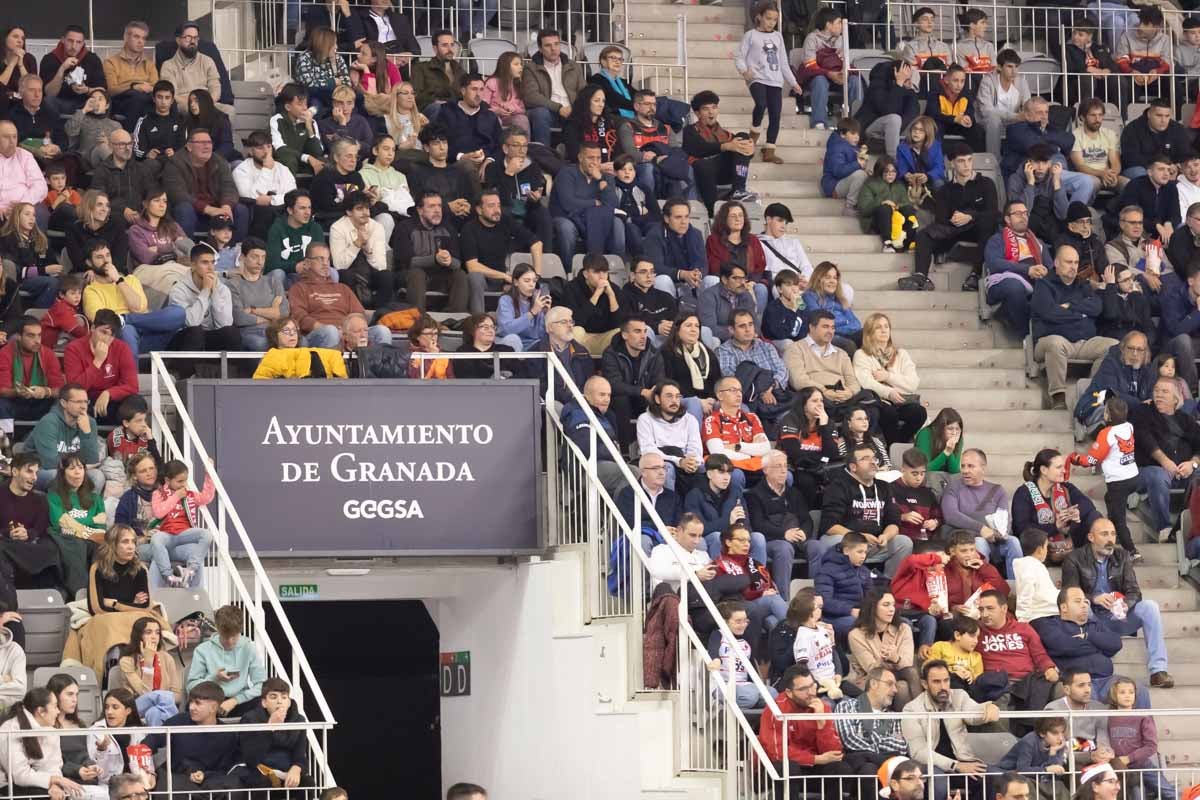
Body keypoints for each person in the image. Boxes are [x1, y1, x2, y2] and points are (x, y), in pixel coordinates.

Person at [1062, 516, 1173, 687]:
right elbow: (1069, 595)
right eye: (1104, 534)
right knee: (1083, 606)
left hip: (1117, 616)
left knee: (1150, 607)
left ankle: (1158, 671)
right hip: (1092, 620)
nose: (1110, 539)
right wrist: (1094, 599)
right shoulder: (1074, 559)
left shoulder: (1122, 555)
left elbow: (1134, 591)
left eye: (1113, 534)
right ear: (1091, 537)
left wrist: (1125, 604)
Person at [1031, 244, 1117, 409]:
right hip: (1052, 340)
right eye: (1068, 262)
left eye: (1076, 263)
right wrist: (1081, 314)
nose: (1073, 267)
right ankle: (1058, 397)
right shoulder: (1044, 285)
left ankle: (1091, 393)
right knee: (1055, 343)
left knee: (1113, 346)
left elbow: (1097, 307)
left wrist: (1070, 306)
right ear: (1056, 263)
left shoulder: (1083, 285)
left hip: (1084, 342)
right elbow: (1050, 313)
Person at [813, 442, 913, 577]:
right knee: (837, 542)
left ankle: (889, 584)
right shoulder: (838, 487)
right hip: (848, 540)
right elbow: (829, 526)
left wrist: (886, 536)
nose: (872, 462)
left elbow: (894, 521)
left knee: (904, 542)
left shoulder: (884, 487)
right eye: (865, 459)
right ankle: (846, 584)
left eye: (874, 458)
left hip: (875, 543)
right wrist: (860, 537)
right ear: (853, 467)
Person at [757, 665, 848, 798]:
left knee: (839, 768)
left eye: (812, 685)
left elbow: (833, 752)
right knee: (789, 768)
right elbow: (777, 752)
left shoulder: (822, 707)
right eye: (803, 689)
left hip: (810, 768)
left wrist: (822, 723)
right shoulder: (775, 710)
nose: (811, 692)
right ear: (789, 692)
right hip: (776, 769)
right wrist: (815, 759)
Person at [1129, 376, 1200, 541]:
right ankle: (1164, 528)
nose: (1159, 394)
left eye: (1164, 391)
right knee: (1158, 475)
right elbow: (1145, 439)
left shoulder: (1186, 420)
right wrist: (1165, 461)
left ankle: (1183, 526)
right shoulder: (1143, 412)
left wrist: (1193, 464)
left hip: (1182, 472)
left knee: (1197, 477)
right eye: (1156, 390)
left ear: (1176, 398)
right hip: (1147, 471)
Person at [144, 681, 243, 793]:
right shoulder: (179, 721)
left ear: (213, 707)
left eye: (197, 703)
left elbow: (226, 768)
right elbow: (153, 739)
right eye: (191, 702)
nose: (191, 707)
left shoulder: (227, 734)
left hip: (209, 783)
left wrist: (205, 775)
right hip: (175, 779)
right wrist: (142, 754)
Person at [287, 242, 389, 349]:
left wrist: (349, 331)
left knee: (382, 331)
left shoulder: (342, 288)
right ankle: (335, 360)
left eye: (327, 260)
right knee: (331, 332)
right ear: (307, 263)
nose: (325, 264)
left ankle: (375, 360)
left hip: (347, 333)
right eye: (320, 259)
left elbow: (358, 313)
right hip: (319, 334)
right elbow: (299, 318)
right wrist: (328, 328)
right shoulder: (298, 289)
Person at [461, 188, 542, 316]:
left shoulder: (505, 221)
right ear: (479, 210)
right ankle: (479, 319)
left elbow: (536, 244)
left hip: (502, 279)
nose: (497, 210)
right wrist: (504, 276)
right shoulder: (469, 229)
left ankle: (529, 321)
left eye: (498, 205)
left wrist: (536, 275)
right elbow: (472, 266)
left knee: (532, 283)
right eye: (491, 206)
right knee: (475, 277)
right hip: (483, 279)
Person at [976, 588, 1060, 711]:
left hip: (1027, 683)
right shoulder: (976, 632)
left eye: (990, 608)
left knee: (1062, 690)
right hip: (997, 685)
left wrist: (1048, 668)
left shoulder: (1024, 628)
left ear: (1004, 608)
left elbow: (1040, 654)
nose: (984, 614)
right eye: (981, 609)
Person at [736, 1, 800, 164]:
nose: (771, 22)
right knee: (761, 103)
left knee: (775, 115)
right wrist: (745, 71)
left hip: (775, 81)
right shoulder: (750, 35)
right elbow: (740, 57)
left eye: (775, 19)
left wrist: (793, 82)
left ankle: (769, 150)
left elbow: (783, 63)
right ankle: (754, 133)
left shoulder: (778, 36)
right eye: (768, 18)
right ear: (759, 17)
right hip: (756, 78)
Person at [942, 449, 1021, 575]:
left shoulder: (997, 490)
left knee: (1013, 542)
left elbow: (1004, 518)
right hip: (968, 540)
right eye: (963, 466)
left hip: (995, 540)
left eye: (971, 466)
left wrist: (1000, 532)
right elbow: (951, 515)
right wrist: (981, 528)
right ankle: (982, 584)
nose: (965, 470)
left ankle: (1015, 585)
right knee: (979, 543)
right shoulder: (953, 488)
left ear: (983, 468)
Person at [745, 449, 811, 598]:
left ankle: (816, 598)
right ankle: (783, 599)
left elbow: (807, 519)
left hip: (798, 538)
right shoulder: (754, 494)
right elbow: (758, 524)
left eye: (785, 466)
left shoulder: (794, 493)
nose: (783, 471)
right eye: (778, 466)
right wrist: (784, 534)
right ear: (766, 470)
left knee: (818, 547)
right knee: (784, 548)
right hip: (772, 541)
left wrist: (804, 532)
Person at [162, 129, 247, 243]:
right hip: (192, 209)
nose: (206, 146)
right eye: (201, 143)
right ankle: (187, 250)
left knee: (241, 210)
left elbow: (229, 187)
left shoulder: (218, 160)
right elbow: (177, 194)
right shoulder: (175, 162)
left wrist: (226, 206)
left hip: (216, 207)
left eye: (209, 142)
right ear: (189, 146)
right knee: (184, 209)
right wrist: (208, 209)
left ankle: (234, 249)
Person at [0, 687, 87, 798]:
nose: (58, 711)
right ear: (41, 711)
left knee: (62, 795)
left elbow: (53, 766)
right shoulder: (10, 729)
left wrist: (55, 785)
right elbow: (19, 775)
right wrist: (52, 780)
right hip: (8, 786)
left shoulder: (51, 731)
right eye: (55, 706)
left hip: (35, 784)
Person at [549, 142, 623, 269]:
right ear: (580, 158)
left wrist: (600, 180)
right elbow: (568, 203)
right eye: (590, 158)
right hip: (567, 216)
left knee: (617, 223)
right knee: (566, 228)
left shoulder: (605, 177)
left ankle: (615, 269)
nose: (595, 162)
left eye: (598, 158)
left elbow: (613, 205)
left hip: (594, 218)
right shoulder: (567, 173)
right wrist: (594, 203)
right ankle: (568, 270)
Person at [984, 200, 1051, 338]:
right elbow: (994, 263)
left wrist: (1044, 271)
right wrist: (1027, 270)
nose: (1023, 217)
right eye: (1018, 213)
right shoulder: (997, 239)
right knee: (1015, 287)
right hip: (1004, 281)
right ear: (1007, 219)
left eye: (1025, 213)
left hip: (1035, 282)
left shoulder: (1038, 243)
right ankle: (1026, 335)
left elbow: (1050, 267)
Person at [853, 313, 925, 443]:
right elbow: (866, 382)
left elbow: (913, 383)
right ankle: (892, 446)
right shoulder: (861, 355)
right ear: (869, 333)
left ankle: (898, 443)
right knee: (889, 413)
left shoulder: (901, 354)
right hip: (879, 402)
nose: (884, 330)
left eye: (886, 326)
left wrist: (888, 376)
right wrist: (888, 392)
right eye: (878, 327)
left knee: (919, 413)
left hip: (902, 400)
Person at [684, 90, 757, 216]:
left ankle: (739, 190)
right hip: (701, 172)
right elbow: (698, 148)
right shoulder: (689, 130)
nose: (711, 112)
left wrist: (750, 150)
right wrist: (725, 146)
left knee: (742, 136)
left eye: (714, 107)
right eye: (706, 109)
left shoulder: (726, 134)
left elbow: (740, 153)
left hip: (724, 173)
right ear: (697, 113)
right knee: (704, 164)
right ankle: (712, 211)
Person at [185, 605, 267, 717]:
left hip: (240, 701)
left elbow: (262, 685)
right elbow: (191, 687)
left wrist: (235, 700)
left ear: (240, 631)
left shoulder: (249, 648)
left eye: (234, 637)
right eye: (225, 636)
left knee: (263, 703)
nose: (230, 641)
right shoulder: (202, 650)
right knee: (193, 706)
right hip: (210, 700)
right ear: (218, 629)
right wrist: (215, 678)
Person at [146, 459, 214, 589]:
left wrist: (208, 474)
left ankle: (191, 570)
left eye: (185, 480)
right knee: (156, 540)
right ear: (167, 480)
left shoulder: (190, 495)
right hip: (167, 535)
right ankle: (169, 576)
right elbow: (159, 513)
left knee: (206, 535)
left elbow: (207, 497)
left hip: (185, 534)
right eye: (179, 481)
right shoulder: (158, 494)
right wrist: (176, 496)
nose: (184, 484)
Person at [847, 589, 920, 708]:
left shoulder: (903, 629)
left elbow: (908, 663)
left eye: (893, 605)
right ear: (872, 608)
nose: (892, 609)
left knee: (910, 673)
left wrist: (896, 658)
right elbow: (872, 669)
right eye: (886, 605)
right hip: (872, 681)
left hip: (902, 673)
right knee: (902, 687)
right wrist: (886, 658)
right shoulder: (856, 635)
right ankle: (920, 716)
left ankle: (921, 713)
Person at [1106, 676, 1175, 800]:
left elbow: (1151, 746)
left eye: (1131, 692)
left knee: (1168, 792)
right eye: (1122, 692)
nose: (1127, 696)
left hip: (1143, 764)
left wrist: (1129, 758)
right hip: (1121, 767)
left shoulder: (1142, 716)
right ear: (1114, 695)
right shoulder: (1108, 717)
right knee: (1137, 794)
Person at [784, 310, 861, 420]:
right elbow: (798, 380)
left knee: (870, 400)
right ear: (811, 327)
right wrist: (823, 391)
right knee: (821, 403)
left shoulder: (841, 353)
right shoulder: (795, 349)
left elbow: (853, 381)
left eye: (832, 328)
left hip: (842, 395)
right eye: (825, 327)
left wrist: (850, 392)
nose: (830, 331)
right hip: (816, 395)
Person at [600, 318, 664, 447]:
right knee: (620, 400)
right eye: (637, 331)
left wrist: (655, 392)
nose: (643, 336)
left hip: (644, 399)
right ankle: (624, 450)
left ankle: (659, 448)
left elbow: (659, 380)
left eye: (645, 331)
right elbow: (613, 384)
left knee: (662, 398)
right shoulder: (611, 353)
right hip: (620, 401)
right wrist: (641, 391)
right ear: (625, 335)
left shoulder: (653, 353)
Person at [167, 243, 240, 354]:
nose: (210, 268)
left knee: (232, 332)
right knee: (195, 332)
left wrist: (214, 292)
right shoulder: (178, 290)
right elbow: (191, 323)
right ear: (193, 265)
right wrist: (205, 291)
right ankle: (188, 367)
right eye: (205, 262)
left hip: (209, 336)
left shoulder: (222, 289)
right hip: (184, 338)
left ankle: (230, 366)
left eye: (213, 262)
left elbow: (225, 324)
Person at [238, 677, 308, 790]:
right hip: (258, 769)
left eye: (284, 697)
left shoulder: (298, 720)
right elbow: (251, 758)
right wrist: (270, 727)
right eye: (273, 697)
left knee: (307, 782)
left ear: (289, 702)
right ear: (264, 702)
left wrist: (296, 768)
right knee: (260, 781)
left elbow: (299, 754)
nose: (279, 701)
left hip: (286, 770)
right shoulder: (250, 719)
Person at [30, 383, 102, 493]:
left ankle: (84, 504)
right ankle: (61, 504)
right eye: (78, 402)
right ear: (64, 403)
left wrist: (86, 433)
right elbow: (50, 463)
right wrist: (79, 469)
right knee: (55, 475)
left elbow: (92, 460)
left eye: (85, 402)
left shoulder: (89, 422)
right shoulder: (48, 422)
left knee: (97, 476)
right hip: (40, 471)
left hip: (71, 469)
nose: (83, 406)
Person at [799, 7, 862, 132]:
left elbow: (844, 61)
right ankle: (819, 122)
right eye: (838, 22)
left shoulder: (841, 39)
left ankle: (855, 122)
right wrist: (829, 74)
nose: (841, 26)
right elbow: (810, 66)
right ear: (828, 24)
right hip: (818, 77)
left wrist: (843, 73)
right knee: (820, 80)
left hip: (837, 77)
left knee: (855, 80)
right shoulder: (812, 38)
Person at [520, 30, 585, 147]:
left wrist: (574, 108)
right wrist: (558, 108)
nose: (553, 49)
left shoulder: (573, 66)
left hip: (571, 109)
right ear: (540, 49)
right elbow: (531, 96)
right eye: (548, 45)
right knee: (540, 113)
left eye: (556, 44)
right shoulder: (531, 68)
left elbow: (584, 92)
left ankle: (579, 154)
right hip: (549, 111)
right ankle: (543, 153)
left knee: (588, 111)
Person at [0, 316, 64, 434]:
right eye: (31, 336)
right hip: (15, 402)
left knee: (61, 403)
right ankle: (6, 439)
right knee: (1, 404)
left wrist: (46, 391)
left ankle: (50, 437)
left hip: (40, 402)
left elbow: (60, 389)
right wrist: (18, 392)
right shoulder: (5, 353)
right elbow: (3, 390)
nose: (37, 341)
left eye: (39, 335)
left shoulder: (48, 354)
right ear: (19, 337)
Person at [224, 239, 288, 351]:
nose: (260, 262)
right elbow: (239, 317)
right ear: (243, 257)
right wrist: (272, 314)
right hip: (249, 332)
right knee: (261, 343)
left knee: (302, 342)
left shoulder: (273, 282)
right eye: (255, 257)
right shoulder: (232, 285)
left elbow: (284, 313)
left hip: (275, 331)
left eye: (263, 257)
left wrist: (252, 310)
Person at [117, 615, 182, 725]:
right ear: (138, 636)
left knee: (154, 712)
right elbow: (144, 693)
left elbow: (177, 695)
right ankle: (175, 723)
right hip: (135, 708)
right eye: (148, 632)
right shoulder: (127, 661)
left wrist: (162, 700)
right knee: (157, 696)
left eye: (157, 633)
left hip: (161, 709)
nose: (154, 637)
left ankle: (155, 737)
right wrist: (148, 661)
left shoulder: (167, 658)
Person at [232, 131, 296, 241]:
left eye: (269, 146)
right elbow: (251, 197)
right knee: (267, 211)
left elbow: (293, 196)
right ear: (251, 151)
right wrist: (267, 170)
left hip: (281, 209)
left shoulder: (282, 169)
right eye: (260, 148)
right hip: (255, 213)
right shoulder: (241, 170)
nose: (266, 152)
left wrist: (272, 200)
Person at [86, 688, 155, 787]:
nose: (109, 712)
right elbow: (99, 775)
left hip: (136, 786)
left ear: (128, 711)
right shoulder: (96, 732)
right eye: (106, 707)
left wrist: (148, 780)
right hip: (108, 787)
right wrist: (101, 751)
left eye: (115, 707)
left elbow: (147, 768)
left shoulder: (139, 733)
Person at [619, 453, 684, 557]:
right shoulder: (628, 494)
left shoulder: (672, 497)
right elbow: (631, 523)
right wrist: (660, 529)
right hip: (639, 537)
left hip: (668, 539)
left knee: (697, 542)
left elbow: (679, 521)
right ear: (643, 472)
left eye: (663, 468)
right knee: (643, 540)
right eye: (655, 468)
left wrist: (675, 532)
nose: (661, 472)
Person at [0, 202, 62, 309]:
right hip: (21, 280)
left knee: (67, 282)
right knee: (52, 283)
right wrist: (44, 270)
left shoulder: (40, 239)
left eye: (33, 215)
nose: (31, 218)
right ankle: (39, 315)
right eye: (27, 214)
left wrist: (56, 270)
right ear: (17, 217)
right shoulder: (8, 238)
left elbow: (52, 262)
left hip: (42, 277)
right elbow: (16, 270)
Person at [706, 202, 768, 307]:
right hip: (725, 282)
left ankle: (755, 318)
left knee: (761, 289)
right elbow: (714, 268)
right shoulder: (714, 240)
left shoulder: (753, 240)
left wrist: (751, 282)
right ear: (724, 219)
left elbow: (759, 267)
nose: (738, 219)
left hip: (747, 283)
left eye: (740, 215)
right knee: (711, 281)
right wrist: (734, 282)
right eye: (733, 216)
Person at [642, 199, 706, 300]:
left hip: (693, 282)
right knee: (662, 280)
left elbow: (703, 263)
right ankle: (668, 309)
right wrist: (681, 274)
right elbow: (655, 267)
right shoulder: (655, 235)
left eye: (686, 216)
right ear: (667, 219)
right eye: (678, 217)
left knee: (712, 280)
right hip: (671, 282)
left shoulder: (696, 234)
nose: (684, 222)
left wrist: (697, 274)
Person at [89, 129, 155, 229]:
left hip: (140, 215)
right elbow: (99, 197)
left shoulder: (141, 169)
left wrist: (143, 211)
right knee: (117, 220)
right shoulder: (101, 171)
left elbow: (152, 193)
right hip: (114, 216)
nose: (127, 148)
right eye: (122, 144)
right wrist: (123, 209)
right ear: (111, 146)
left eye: (130, 144)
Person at [560, 253, 622, 357]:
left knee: (620, 333)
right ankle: (576, 365)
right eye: (596, 272)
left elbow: (618, 323)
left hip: (604, 337)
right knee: (575, 331)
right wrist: (596, 295)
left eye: (605, 272)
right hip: (583, 337)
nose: (602, 276)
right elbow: (576, 321)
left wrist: (611, 296)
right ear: (585, 274)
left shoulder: (614, 289)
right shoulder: (571, 288)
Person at [38, 25, 106, 116]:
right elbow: (49, 93)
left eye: (78, 42)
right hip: (59, 101)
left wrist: (86, 90)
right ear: (63, 40)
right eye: (70, 41)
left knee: (103, 102)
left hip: (84, 102)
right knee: (48, 101)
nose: (74, 46)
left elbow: (102, 90)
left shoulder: (92, 59)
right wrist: (62, 69)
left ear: (83, 43)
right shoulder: (49, 59)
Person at [814, 532, 871, 640]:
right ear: (846, 551)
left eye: (865, 552)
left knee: (896, 623)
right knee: (857, 625)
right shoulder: (827, 570)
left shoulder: (864, 571)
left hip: (859, 614)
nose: (863, 556)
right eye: (859, 552)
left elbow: (871, 596)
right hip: (833, 617)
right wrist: (850, 610)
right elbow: (824, 601)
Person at [858, 156, 920, 253]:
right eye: (886, 171)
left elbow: (906, 203)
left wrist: (896, 206)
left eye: (893, 171)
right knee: (885, 208)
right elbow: (864, 210)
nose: (890, 174)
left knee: (909, 210)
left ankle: (909, 243)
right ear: (880, 171)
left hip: (897, 220)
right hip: (875, 221)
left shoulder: (899, 185)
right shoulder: (870, 184)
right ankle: (887, 244)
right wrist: (881, 201)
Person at [1120, 100, 1193, 179]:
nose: (1163, 120)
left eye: (1167, 116)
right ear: (1149, 114)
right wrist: (1161, 166)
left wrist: (1176, 166)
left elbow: (1185, 154)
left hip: (1171, 169)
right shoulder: (1132, 129)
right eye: (1159, 115)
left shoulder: (1178, 129)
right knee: (1139, 173)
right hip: (1143, 169)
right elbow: (1130, 159)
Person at [160, 23, 222, 115]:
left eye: (195, 38)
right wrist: (193, 103)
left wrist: (206, 104)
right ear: (178, 40)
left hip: (207, 103)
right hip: (184, 104)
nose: (193, 41)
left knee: (229, 110)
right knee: (188, 109)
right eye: (188, 37)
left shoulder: (207, 61)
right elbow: (171, 94)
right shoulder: (168, 66)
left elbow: (215, 88)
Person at [102, 21, 157, 124]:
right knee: (138, 98)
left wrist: (150, 88)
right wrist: (134, 87)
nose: (140, 41)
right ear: (126, 37)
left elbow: (156, 87)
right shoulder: (111, 62)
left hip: (145, 97)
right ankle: (133, 133)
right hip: (121, 100)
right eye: (136, 37)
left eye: (143, 38)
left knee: (168, 101)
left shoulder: (149, 64)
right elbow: (111, 90)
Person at [533, 306, 595, 399]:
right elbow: (541, 387)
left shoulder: (582, 352)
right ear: (550, 327)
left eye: (571, 321)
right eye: (564, 322)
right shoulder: (537, 353)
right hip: (554, 402)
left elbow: (590, 381)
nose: (570, 325)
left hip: (583, 401)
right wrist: (568, 397)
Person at [1071, 98, 1127, 196]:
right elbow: (1080, 166)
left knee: (1127, 183)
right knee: (1093, 183)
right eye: (1093, 115)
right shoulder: (1075, 136)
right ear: (1082, 117)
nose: (1097, 119)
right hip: (1087, 176)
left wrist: (1113, 174)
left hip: (1107, 175)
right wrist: (1101, 174)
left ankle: (1117, 205)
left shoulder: (1110, 134)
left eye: (1100, 115)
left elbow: (1115, 161)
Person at [802, 262, 861, 354]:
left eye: (835, 278)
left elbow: (856, 324)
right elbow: (821, 323)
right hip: (826, 337)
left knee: (869, 335)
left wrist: (836, 327)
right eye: (828, 277)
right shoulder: (810, 296)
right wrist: (845, 323)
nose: (832, 281)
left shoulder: (840, 299)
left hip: (845, 335)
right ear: (818, 279)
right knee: (849, 345)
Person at [269, 84, 325, 177]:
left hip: (306, 163)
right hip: (286, 162)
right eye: (300, 104)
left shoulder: (312, 122)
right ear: (288, 107)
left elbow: (317, 152)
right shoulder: (277, 120)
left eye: (306, 104)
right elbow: (279, 148)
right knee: (288, 159)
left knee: (324, 164)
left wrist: (309, 128)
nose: (305, 108)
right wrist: (306, 157)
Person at [293, 27, 350, 114]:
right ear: (324, 45)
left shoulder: (337, 58)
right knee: (316, 103)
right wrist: (332, 82)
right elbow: (309, 85)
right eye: (334, 44)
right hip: (313, 96)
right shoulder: (305, 58)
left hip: (335, 96)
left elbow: (347, 83)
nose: (336, 47)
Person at [266, 189, 323, 278]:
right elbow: (271, 264)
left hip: (309, 272)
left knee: (332, 272)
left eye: (309, 207)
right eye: (302, 208)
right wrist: (294, 267)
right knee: (277, 274)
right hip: (286, 274)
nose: (308, 212)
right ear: (290, 210)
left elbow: (321, 257)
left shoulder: (315, 228)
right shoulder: (277, 229)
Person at [0, 121, 47, 228]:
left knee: (40, 213)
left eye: (14, 137)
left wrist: (22, 205)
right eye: (6, 137)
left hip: (23, 206)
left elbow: (40, 186)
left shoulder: (25, 156)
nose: (12, 142)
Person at [64, 88, 122, 173]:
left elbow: (120, 147)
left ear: (107, 105)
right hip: (86, 159)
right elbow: (70, 131)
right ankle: (121, 173)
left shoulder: (115, 125)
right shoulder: (82, 118)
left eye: (100, 99)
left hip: (106, 158)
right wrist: (84, 110)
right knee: (102, 147)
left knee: (105, 147)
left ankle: (118, 172)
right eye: (93, 99)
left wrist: (109, 144)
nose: (96, 102)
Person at [131, 81, 184, 175]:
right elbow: (136, 148)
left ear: (172, 100)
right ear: (154, 99)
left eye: (167, 98)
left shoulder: (179, 120)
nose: (163, 102)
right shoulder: (144, 121)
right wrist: (146, 154)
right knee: (149, 165)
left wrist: (175, 152)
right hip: (152, 162)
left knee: (177, 164)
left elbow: (184, 145)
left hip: (173, 161)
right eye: (160, 97)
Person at [701, 264, 760, 344]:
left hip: (745, 339)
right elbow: (709, 328)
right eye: (736, 278)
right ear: (724, 279)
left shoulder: (746, 295)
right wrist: (737, 333)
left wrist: (751, 333)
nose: (742, 282)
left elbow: (755, 322)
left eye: (743, 278)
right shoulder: (708, 296)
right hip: (722, 341)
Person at [822, 118, 869, 214]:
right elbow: (838, 171)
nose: (857, 137)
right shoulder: (836, 147)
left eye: (858, 134)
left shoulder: (852, 147)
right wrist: (857, 164)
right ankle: (849, 206)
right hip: (834, 186)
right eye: (853, 133)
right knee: (860, 175)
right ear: (842, 134)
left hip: (844, 182)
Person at [411, 30, 463, 114]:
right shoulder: (421, 68)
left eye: (452, 45)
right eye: (444, 45)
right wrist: (433, 100)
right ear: (435, 48)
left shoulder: (459, 70)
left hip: (454, 109)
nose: (450, 49)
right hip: (431, 109)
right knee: (440, 108)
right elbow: (415, 94)